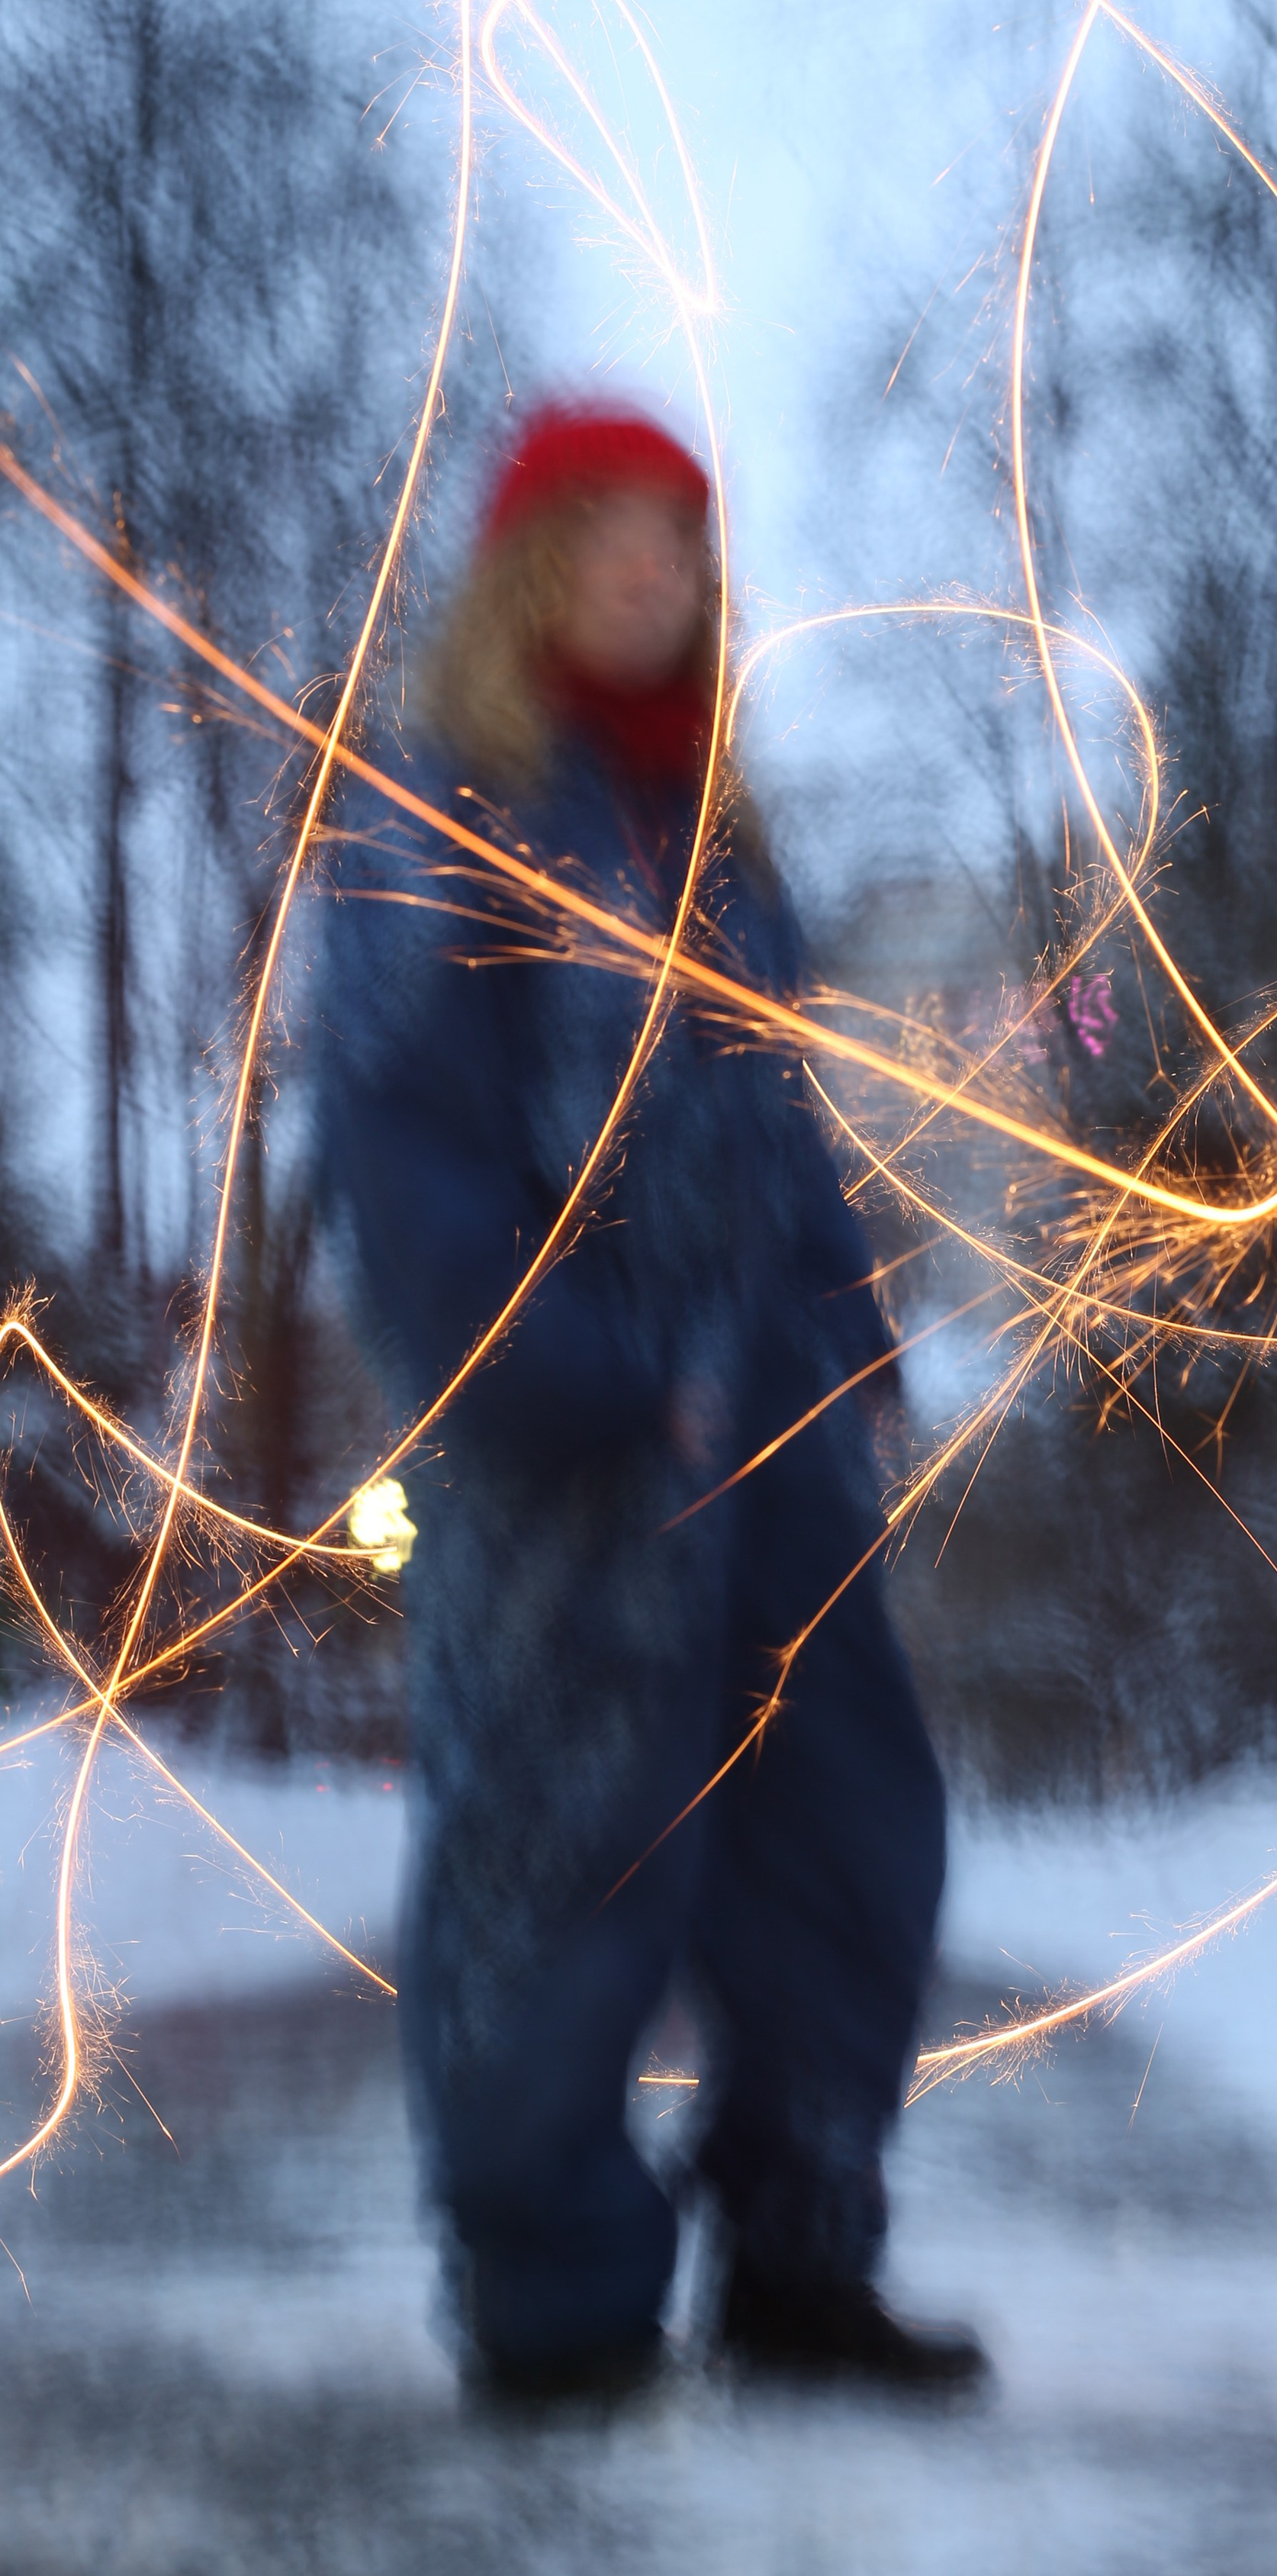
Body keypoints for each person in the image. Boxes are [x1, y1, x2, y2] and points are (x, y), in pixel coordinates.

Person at [317, 402, 983, 2402]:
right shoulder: (446, 813)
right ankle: (553, 2294)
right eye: (601, 525)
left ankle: (799, 2251)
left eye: (676, 531)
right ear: (531, 562)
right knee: (563, 1848)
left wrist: (847, 1348)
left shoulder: (720, 844)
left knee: (845, 1823)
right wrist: (573, 1375)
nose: (646, 561)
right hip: (575, 1434)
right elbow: (403, 1139)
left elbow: (776, 1135)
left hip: (767, 1416)